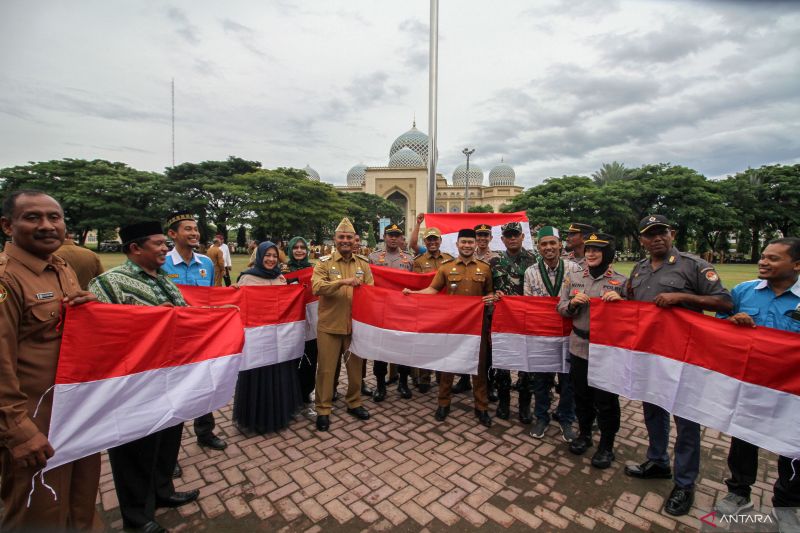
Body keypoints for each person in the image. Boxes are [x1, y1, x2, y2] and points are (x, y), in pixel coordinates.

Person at [0, 190, 101, 532]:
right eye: (33, 217)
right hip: (34, 418)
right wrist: (18, 430)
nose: (46, 225)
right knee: (39, 511)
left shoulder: (61, 267)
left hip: (73, 410)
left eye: (54, 217)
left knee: (81, 500)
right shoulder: (6, 278)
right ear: (7, 226)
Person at [88, 220, 199, 532]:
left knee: (166, 442)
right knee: (134, 452)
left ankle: (163, 492)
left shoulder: (165, 280)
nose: (165, 248)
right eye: (158, 244)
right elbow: (101, 335)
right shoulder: (109, 284)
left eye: (165, 243)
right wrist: (149, 321)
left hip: (170, 379)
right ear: (135, 248)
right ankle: (137, 518)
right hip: (133, 386)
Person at [624, 215, 732, 516]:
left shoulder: (693, 265)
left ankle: (685, 483)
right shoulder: (640, 268)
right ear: (642, 240)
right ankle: (657, 460)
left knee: (686, 419)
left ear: (671, 234)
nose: (656, 238)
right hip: (651, 353)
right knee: (653, 409)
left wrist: (681, 297)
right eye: (650, 234)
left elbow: (724, 302)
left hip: (685, 354)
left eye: (662, 232)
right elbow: (629, 299)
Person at [713, 237, 800, 528]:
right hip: (750, 385)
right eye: (763, 256)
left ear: (797, 265)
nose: (764, 262)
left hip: (792, 391)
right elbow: (718, 325)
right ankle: (739, 492)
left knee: (793, 451)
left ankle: (786, 507)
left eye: (774, 258)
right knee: (743, 440)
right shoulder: (744, 292)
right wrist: (732, 323)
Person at [403, 228, 494, 428]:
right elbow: (433, 289)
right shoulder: (446, 267)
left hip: (476, 326)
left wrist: (491, 299)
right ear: (457, 245)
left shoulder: (485, 268)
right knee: (448, 366)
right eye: (464, 242)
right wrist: (414, 293)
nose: (468, 245)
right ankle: (443, 403)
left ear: (475, 244)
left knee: (478, 368)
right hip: (452, 326)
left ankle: (482, 407)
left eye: (471, 242)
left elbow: (490, 294)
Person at [557, 232, 626, 469]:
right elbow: (561, 307)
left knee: (606, 400)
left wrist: (621, 303)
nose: (591, 254)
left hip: (607, 350)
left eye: (597, 250)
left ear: (607, 253)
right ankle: (584, 434)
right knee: (581, 395)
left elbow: (634, 317)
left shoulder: (622, 281)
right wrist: (572, 305)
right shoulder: (573, 277)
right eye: (588, 250)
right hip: (579, 345)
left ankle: (606, 445)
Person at [161, 212, 227, 452]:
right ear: (173, 234)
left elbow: (211, 298)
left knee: (203, 384)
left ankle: (205, 432)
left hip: (200, 334)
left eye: (196, 229)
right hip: (172, 336)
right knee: (172, 392)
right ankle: (169, 452)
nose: (194, 233)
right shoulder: (162, 263)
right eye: (187, 229)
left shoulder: (206, 263)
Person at [233, 241, 305, 434]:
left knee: (279, 374)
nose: (271, 259)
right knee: (259, 376)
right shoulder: (247, 279)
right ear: (259, 256)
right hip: (258, 338)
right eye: (267, 256)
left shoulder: (280, 277)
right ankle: (257, 419)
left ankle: (281, 412)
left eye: (274, 256)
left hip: (278, 338)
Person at [311, 217, 373, 432]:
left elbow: (372, 292)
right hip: (329, 325)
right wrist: (342, 282)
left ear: (355, 240)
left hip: (354, 326)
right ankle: (323, 409)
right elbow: (317, 287)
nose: (345, 241)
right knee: (326, 370)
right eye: (341, 237)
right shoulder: (324, 263)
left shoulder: (363, 264)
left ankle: (354, 402)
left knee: (356, 369)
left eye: (349, 237)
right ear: (335, 239)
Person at [523, 226, 581, 442]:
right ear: (538, 247)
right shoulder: (531, 272)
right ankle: (541, 417)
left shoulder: (575, 269)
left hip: (568, 335)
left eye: (552, 243)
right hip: (542, 335)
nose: (548, 247)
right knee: (541, 380)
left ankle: (566, 419)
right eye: (544, 244)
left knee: (568, 380)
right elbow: (528, 305)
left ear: (559, 244)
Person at [490, 222, 538, 423]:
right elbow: (487, 289)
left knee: (526, 367)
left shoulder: (534, 260)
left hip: (527, 322)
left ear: (521, 237)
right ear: (502, 239)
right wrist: (493, 294)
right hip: (503, 323)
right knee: (502, 365)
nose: (512, 238)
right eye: (508, 235)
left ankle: (525, 406)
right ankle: (503, 402)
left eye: (515, 235)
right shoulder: (495, 262)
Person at [369, 223, 415, 401]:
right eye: (390, 235)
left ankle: (403, 383)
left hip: (403, 313)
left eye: (397, 235)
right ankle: (380, 385)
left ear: (401, 237)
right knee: (380, 351)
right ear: (384, 236)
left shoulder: (409, 260)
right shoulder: (373, 258)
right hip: (381, 312)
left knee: (403, 350)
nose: (393, 238)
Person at [412, 226, 453, 392]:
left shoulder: (450, 260)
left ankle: (441, 376)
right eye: (429, 239)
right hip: (426, 309)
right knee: (425, 344)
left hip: (445, 309)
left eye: (435, 239)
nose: (432, 242)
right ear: (425, 242)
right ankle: (424, 378)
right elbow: (417, 283)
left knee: (443, 343)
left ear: (440, 241)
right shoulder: (419, 261)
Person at [284, 236, 318, 419]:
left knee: (311, 358)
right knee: (292, 358)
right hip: (291, 323)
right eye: (295, 247)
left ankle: (306, 392)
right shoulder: (282, 271)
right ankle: (292, 392)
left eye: (302, 247)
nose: (299, 250)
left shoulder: (314, 269)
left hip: (312, 323)